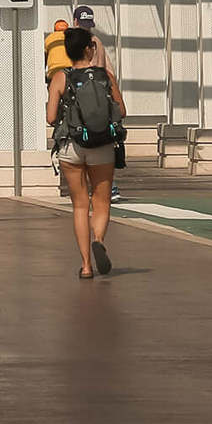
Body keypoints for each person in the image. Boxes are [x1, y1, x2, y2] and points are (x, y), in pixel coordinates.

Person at [45, 27, 123, 280]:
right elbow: (121, 111)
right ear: (90, 49)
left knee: (80, 205)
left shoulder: (60, 77)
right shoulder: (105, 76)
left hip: (72, 147)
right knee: (101, 202)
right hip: (101, 146)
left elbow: (51, 117)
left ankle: (86, 266)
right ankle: (98, 239)